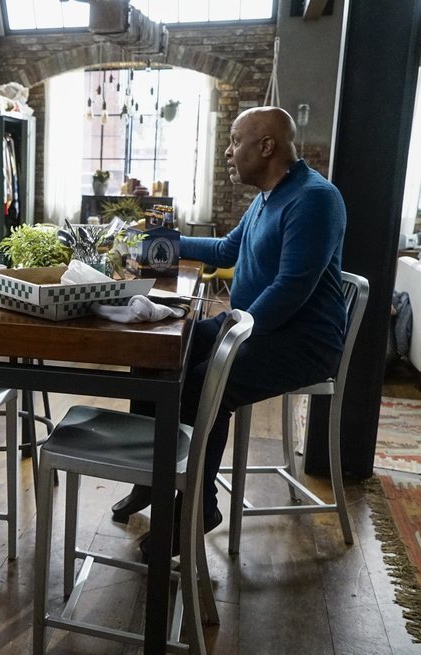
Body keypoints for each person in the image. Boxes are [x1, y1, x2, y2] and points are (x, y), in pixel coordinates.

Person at [112, 106, 348, 560]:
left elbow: (291, 287)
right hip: (254, 325)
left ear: (267, 146)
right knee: (156, 350)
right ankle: (150, 478)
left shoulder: (315, 199)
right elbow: (225, 249)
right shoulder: (267, 196)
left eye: (235, 141)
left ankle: (198, 509)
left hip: (303, 341)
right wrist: (153, 243)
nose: (227, 151)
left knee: (205, 381)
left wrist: (232, 336)